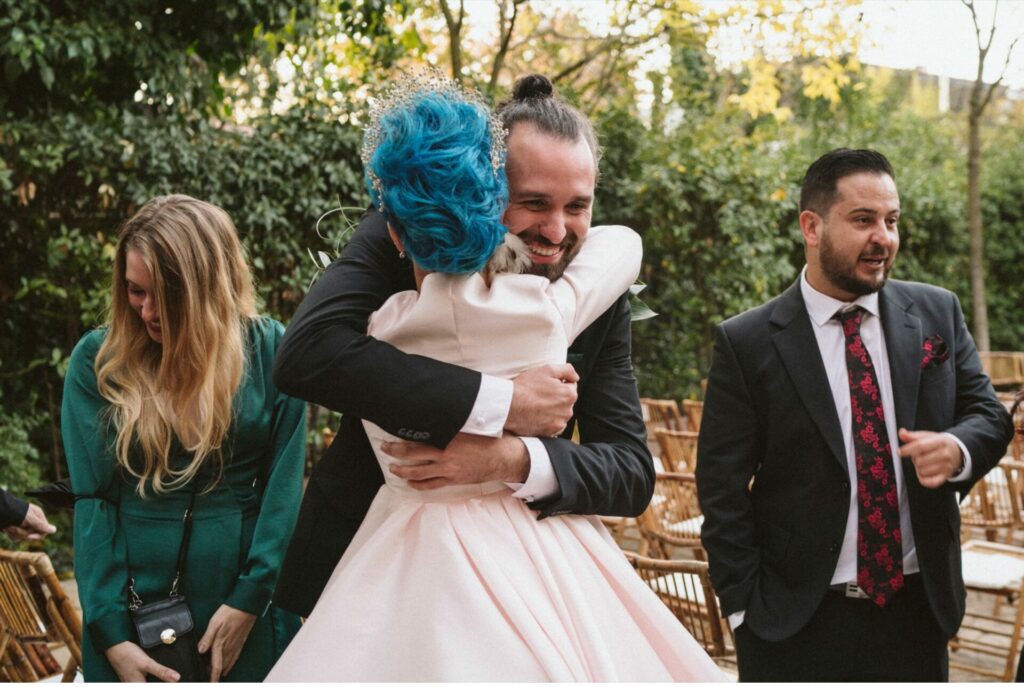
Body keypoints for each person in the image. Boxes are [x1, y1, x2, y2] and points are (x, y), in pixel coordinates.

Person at [267, 73, 722, 681]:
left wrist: (510, 459)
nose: (557, 231)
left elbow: (630, 473)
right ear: (484, 186)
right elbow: (308, 353)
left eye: (577, 207)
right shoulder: (403, 234)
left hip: (528, 567)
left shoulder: (598, 292)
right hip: (364, 561)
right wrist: (501, 401)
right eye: (534, 202)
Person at [696, 148, 1015, 681]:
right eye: (863, 220)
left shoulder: (938, 311)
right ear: (812, 226)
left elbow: (987, 413)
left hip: (917, 614)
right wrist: (743, 611)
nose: (884, 238)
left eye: (891, 221)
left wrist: (958, 448)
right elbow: (721, 488)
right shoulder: (747, 342)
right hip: (794, 623)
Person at [62, 195, 306, 682]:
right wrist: (112, 635)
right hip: (131, 605)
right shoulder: (99, 362)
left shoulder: (268, 350)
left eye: (164, 295)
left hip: (242, 602)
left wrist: (250, 600)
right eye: (135, 292)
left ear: (205, 288)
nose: (147, 311)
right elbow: (94, 504)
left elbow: (284, 488)